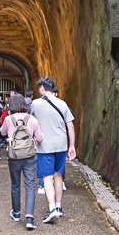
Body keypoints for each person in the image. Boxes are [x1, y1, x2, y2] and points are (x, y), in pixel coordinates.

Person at [29, 76, 75, 223]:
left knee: (47, 177)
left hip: (45, 146)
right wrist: (72, 145)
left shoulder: (35, 104)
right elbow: (71, 126)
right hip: (61, 145)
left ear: (42, 88)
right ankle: (59, 206)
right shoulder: (62, 104)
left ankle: (52, 208)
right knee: (58, 176)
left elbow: (31, 121)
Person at [1, 94, 43, 230]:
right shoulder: (32, 119)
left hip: (14, 156)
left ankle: (17, 213)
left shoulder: (8, 119)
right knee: (30, 185)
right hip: (30, 156)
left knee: (15, 185)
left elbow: (2, 132)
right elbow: (40, 138)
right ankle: (29, 218)